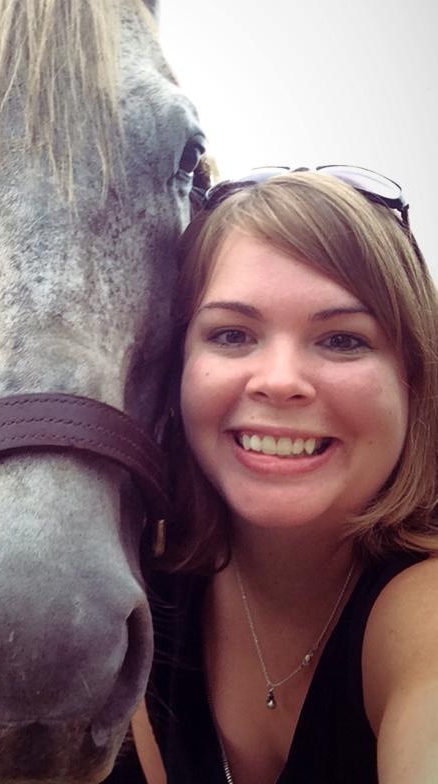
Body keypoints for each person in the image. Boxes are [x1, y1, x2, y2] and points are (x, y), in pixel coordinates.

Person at [130, 166, 438, 784]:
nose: (278, 380)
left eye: (343, 341)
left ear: (414, 382)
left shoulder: (422, 616)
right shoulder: (141, 606)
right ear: (178, 372)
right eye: (233, 334)